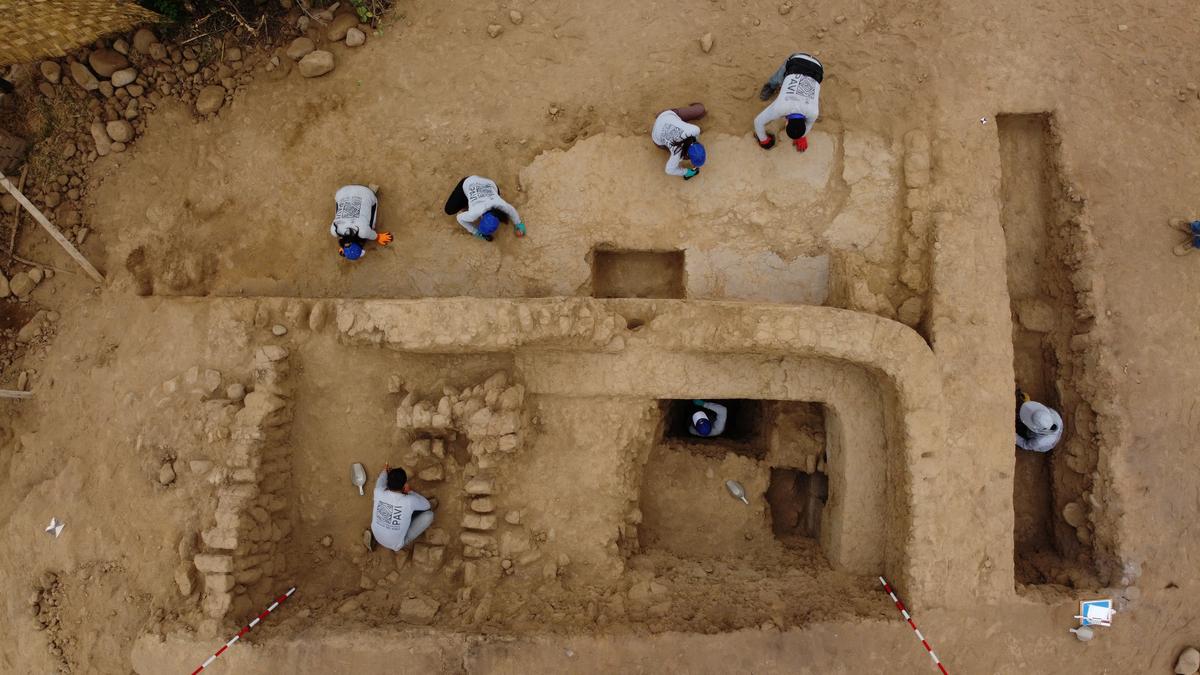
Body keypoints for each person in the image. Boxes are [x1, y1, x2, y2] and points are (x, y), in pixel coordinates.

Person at [754, 52, 823, 152]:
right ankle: (771, 86)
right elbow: (757, 122)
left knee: (808, 87)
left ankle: (772, 86)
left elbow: (758, 122)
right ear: (786, 123)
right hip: (798, 61)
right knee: (778, 79)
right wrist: (764, 141)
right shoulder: (780, 108)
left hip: (817, 68)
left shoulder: (813, 113)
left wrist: (764, 141)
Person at [364, 464, 434, 552]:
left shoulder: (378, 491)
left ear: (387, 482)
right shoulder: (409, 500)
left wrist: (385, 471)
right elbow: (427, 505)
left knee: (404, 513)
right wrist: (410, 492)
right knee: (429, 515)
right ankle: (399, 538)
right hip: (395, 545)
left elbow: (381, 480)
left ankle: (374, 539)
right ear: (404, 485)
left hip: (377, 534)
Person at [444, 175, 525, 241]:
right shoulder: (473, 214)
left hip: (489, 185)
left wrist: (519, 224)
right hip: (469, 182)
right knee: (449, 210)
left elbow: (511, 210)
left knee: (462, 205)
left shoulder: (501, 204)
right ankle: (466, 200)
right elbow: (459, 218)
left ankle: (468, 200)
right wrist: (475, 232)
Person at [330, 184, 392, 261]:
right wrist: (345, 246)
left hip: (366, 192)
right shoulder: (334, 231)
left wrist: (378, 237)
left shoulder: (363, 232)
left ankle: (372, 191)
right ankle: (348, 193)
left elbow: (371, 234)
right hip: (342, 192)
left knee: (371, 226)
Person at [651, 103, 707, 179]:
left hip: (666, 116)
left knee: (700, 110)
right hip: (656, 136)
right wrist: (687, 172)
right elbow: (669, 170)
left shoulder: (695, 130)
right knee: (680, 155)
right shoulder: (677, 152)